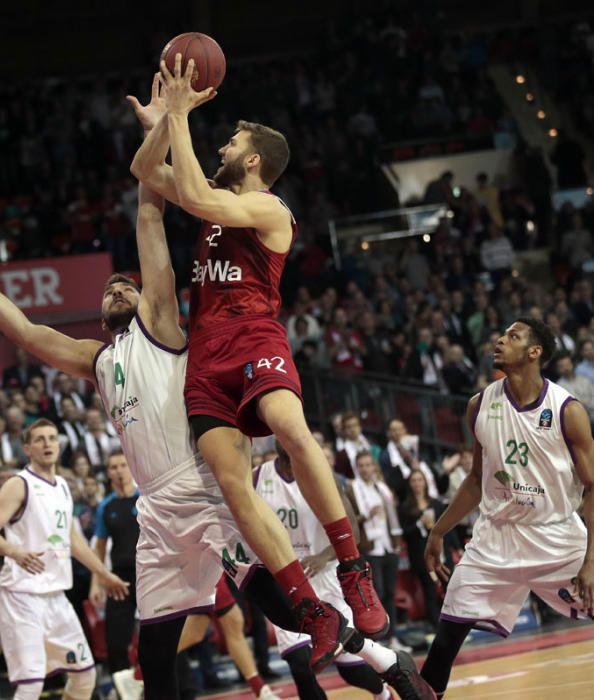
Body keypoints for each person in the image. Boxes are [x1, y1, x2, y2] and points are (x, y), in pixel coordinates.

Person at [0, 142, 363, 698]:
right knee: (154, 657)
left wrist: (153, 151)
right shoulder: (97, 360)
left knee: (277, 603)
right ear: (101, 313)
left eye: (126, 283)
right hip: (154, 508)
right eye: (111, 289)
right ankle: (350, 637)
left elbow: (149, 219)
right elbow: (27, 334)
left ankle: (372, 650)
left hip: (203, 486)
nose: (119, 288)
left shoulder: (161, 324)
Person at [130, 58, 386, 660]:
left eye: (233, 141)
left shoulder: (270, 209)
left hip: (254, 337)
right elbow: (145, 170)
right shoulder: (218, 194)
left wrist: (179, 114)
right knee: (232, 485)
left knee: (291, 428)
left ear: (253, 160)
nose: (223, 144)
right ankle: (310, 606)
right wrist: (162, 126)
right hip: (206, 356)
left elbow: (190, 193)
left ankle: (352, 568)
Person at [421, 318, 594, 697]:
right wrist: (438, 530)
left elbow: (593, 487)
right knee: (445, 641)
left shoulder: (567, 410)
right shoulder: (479, 404)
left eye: (513, 336)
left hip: (558, 537)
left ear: (535, 352)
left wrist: (591, 559)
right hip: (494, 541)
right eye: (501, 334)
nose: (499, 339)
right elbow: (476, 479)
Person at [256, 445, 434, 700]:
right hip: (288, 582)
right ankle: (390, 666)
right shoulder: (257, 478)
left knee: (352, 670)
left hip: (325, 577)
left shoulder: (324, 477)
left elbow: (354, 532)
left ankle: (383, 692)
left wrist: (323, 556)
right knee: (300, 664)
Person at [0, 419, 128, 699]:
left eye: (52, 438)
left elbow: (74, 542)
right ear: (27, 449)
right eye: (39, 439)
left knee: (85, 676)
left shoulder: (62, 487)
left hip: (56, 595)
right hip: (22, 596)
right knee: (31, 683)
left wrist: (103, 575)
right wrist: (16, 552)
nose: (47, 444)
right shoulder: (18, 484)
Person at [90, 450, 140, 675]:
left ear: (131, 467)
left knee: (164, 636)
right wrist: (95, 583)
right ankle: (123, 689)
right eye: (113, 467)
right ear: (108, 473)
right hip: (119, 579)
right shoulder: (105, 507)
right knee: (116, 643)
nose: (119, 470)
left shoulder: (146, 497)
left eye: (123, 465)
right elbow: (99, 548)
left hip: (150, 574)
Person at [347, 453, 402, 650]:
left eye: (368, 464)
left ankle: (393, 635)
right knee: (374, 595)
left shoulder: (381, 487)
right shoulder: (352, 488)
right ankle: (376, 639)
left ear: (373, 466)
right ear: (356, 468)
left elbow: (392, 515)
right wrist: (365, 516)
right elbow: (350, 519)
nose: (365, 468)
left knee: (390, 592)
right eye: (361, 465)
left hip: (388, 544)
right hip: (370, 547)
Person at [397, 470, 455, 629]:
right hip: (421, 556)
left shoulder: (436, 503)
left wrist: (454, 547)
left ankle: (453, 626)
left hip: (442, 554)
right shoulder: (405, 507)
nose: (417, 483)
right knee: (429, 591)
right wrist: (419, 525)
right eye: (414, 480)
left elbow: (447, 528)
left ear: (425, 482)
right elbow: (404, 533)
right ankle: (437, 627)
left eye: (420, 480)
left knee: (450, 589)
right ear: (410, 484)